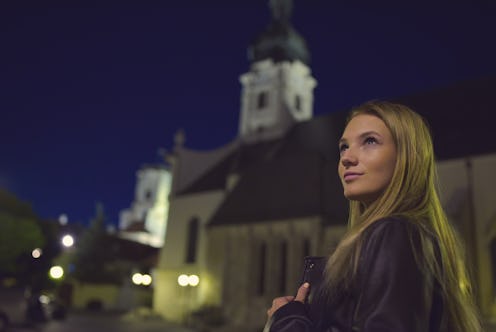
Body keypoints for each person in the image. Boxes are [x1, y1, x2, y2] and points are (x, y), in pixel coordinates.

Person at [265, 100, 482, 331]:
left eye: (369, 141)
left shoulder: (396, 231)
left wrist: (286, 319)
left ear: (408, 157)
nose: (346, 158)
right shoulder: (406, 234)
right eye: (343, 147)